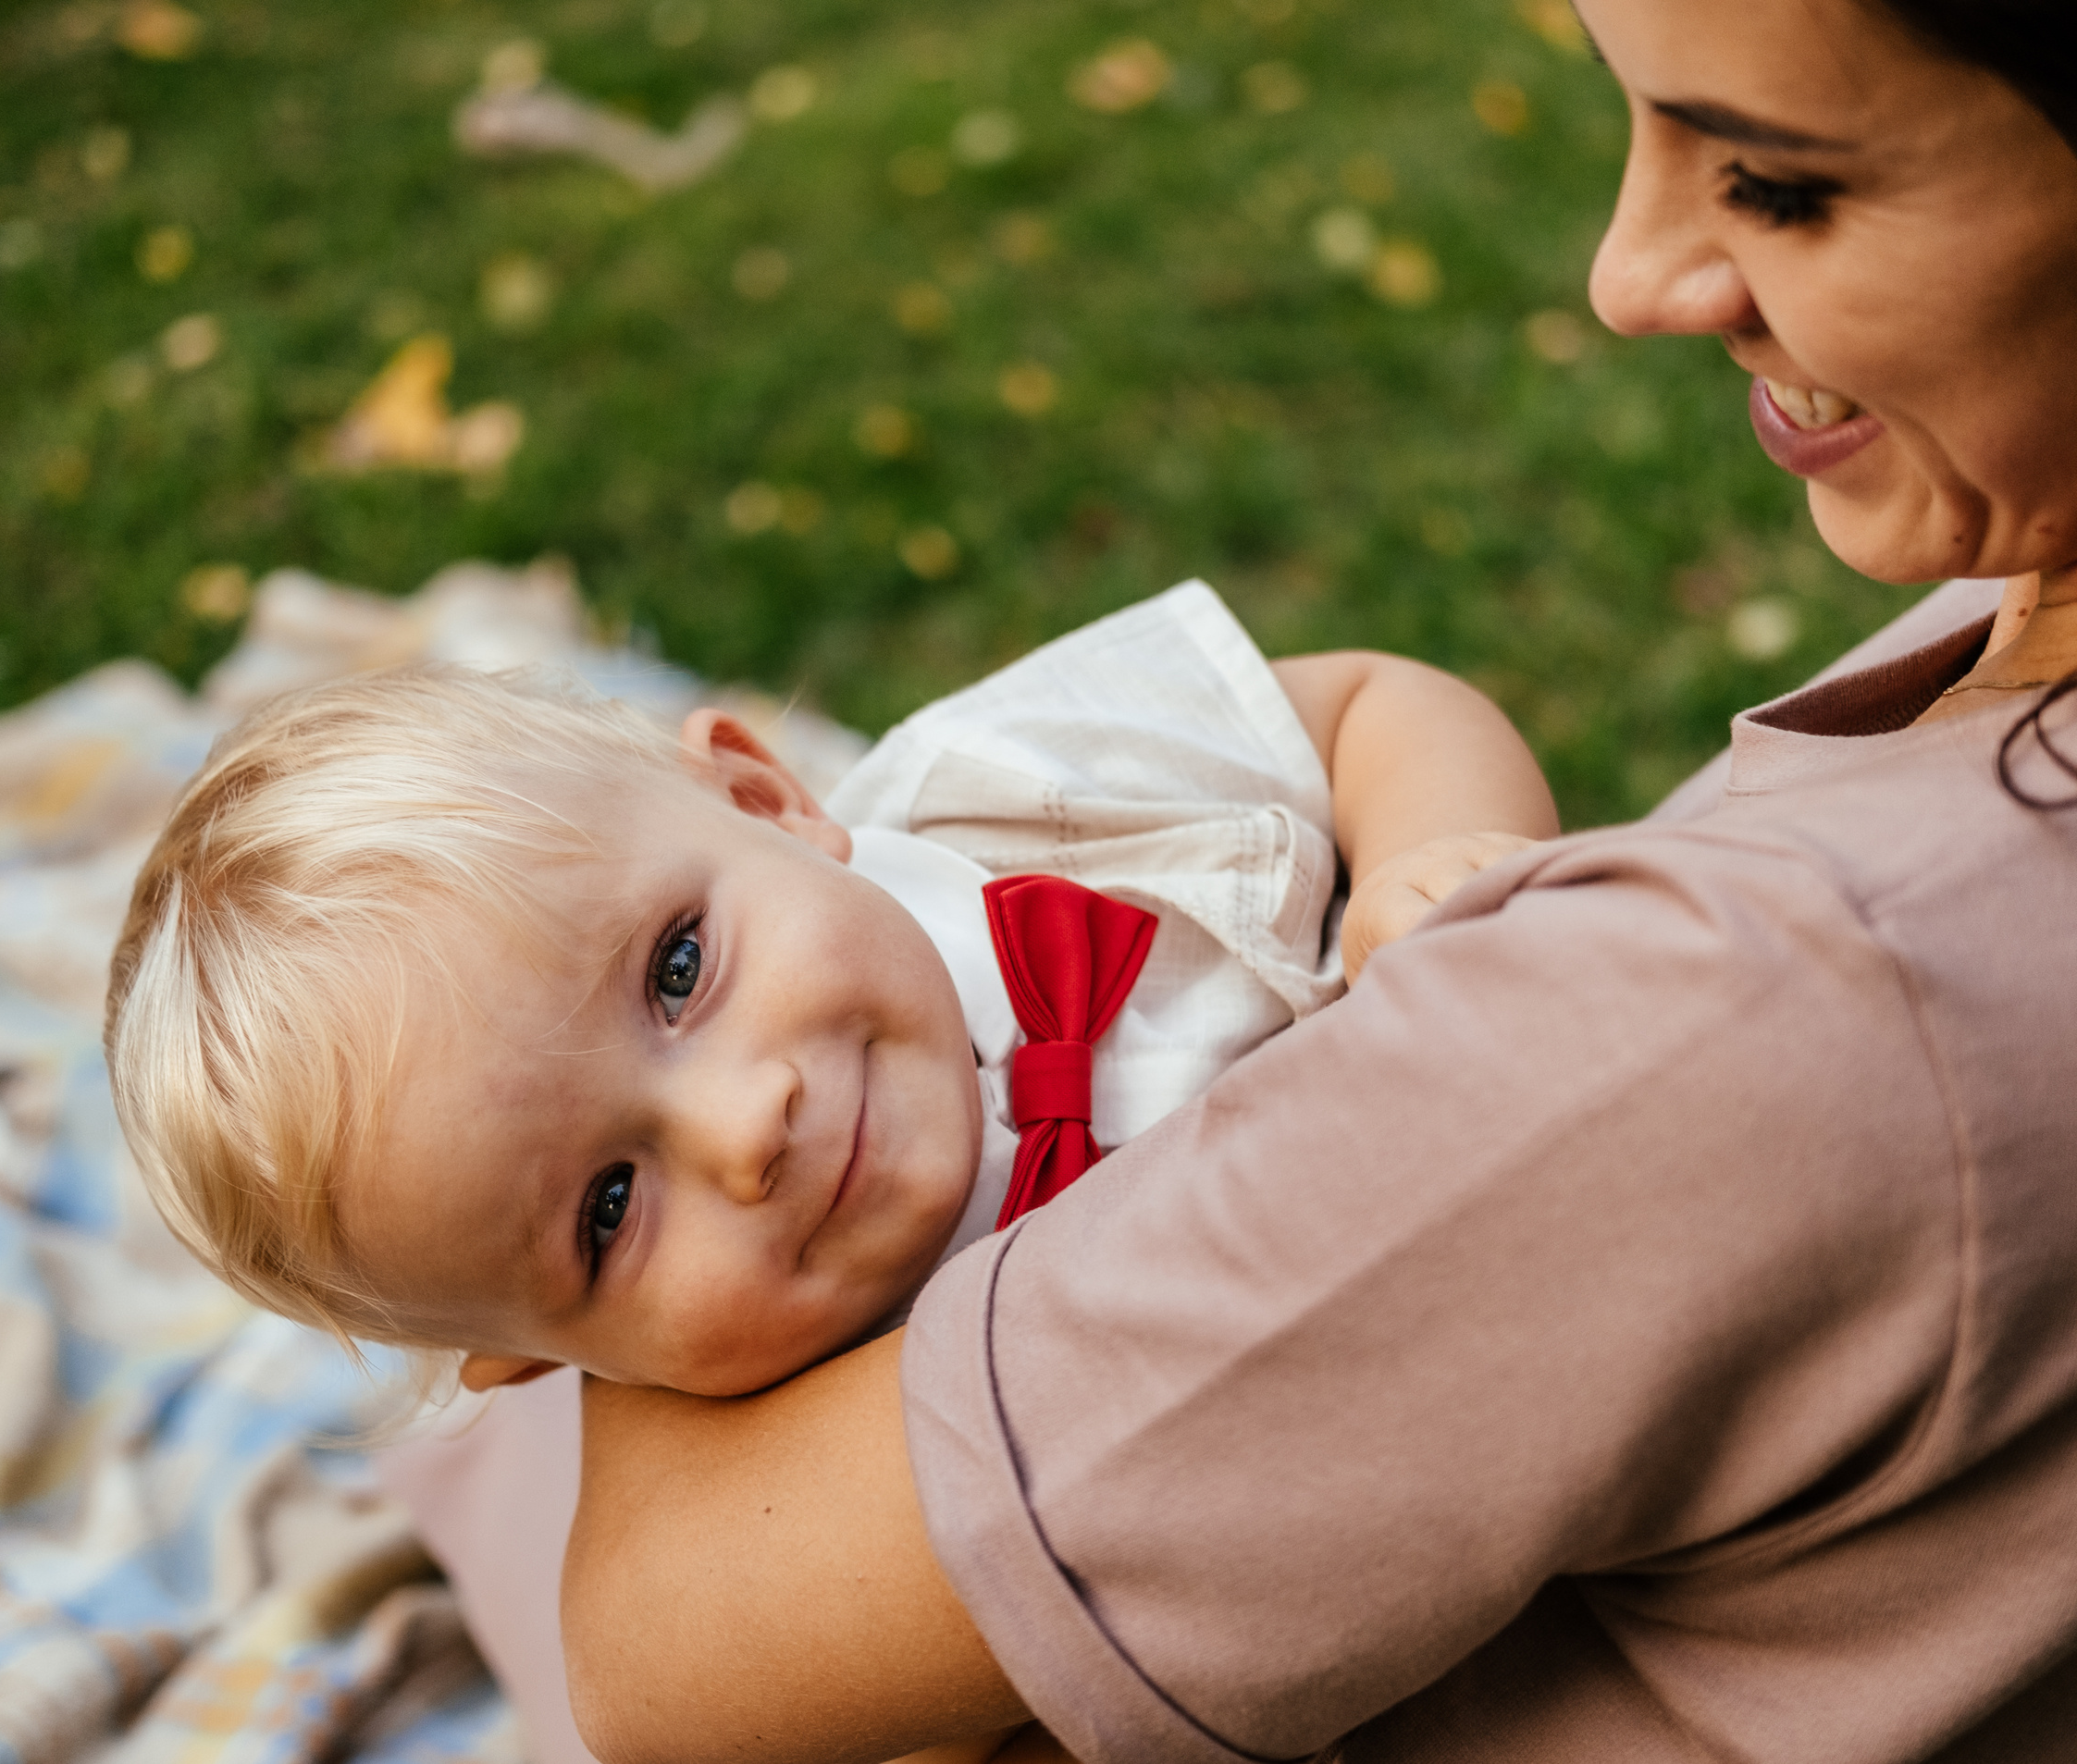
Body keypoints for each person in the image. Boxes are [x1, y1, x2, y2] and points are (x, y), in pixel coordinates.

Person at [555, 0, 2077, 1759]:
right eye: (1635, 121)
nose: (1628, 273)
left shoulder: (1737, 1028)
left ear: (766, 797)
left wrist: (556, 1263)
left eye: (1777, 181)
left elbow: (661, 1660)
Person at [103, 584, 1557, 1761]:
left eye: (679, 970)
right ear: (529, 1354)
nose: (745, 1128)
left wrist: (1437, 866)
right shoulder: (784, 1481)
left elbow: (1367, 704)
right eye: (609, 1209)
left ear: (763, 796)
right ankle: (467, 1507)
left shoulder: (1020, 785)